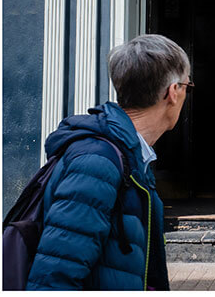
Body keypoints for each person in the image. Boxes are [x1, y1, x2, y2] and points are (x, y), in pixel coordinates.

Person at [26, 34, 191, 290]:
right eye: (187, 87)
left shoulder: (131, 157)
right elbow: (53, 278)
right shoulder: (97, 164)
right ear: (173, 92)